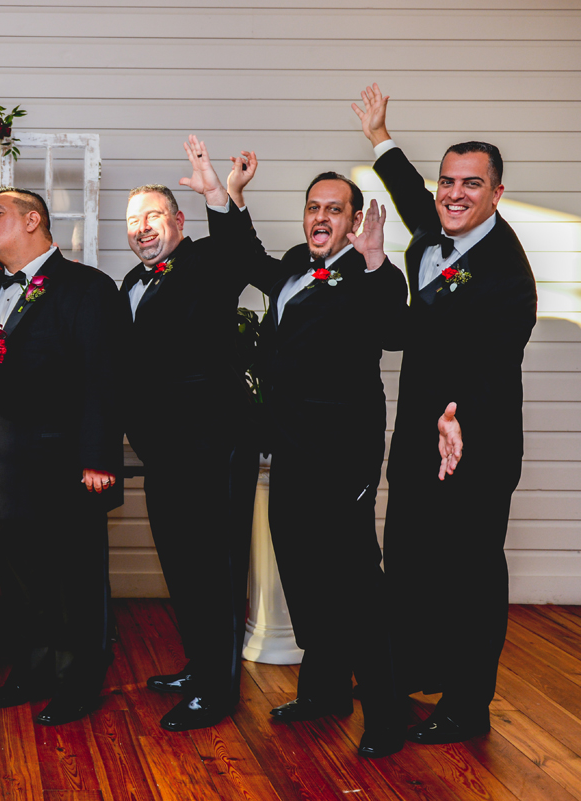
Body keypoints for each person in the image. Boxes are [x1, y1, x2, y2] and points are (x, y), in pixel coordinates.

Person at [205, 147, 410, 757]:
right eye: (313, 208)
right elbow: (247, 261)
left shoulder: (371, 273)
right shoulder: (298, 261)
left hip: (341, 453)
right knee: (302, 572)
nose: (322, 218)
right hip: (289, 448)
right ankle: (325, 692)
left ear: (353, 220)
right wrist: (227, 196)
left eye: (334, 210)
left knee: (354, 584)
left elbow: (394, 333)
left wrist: (375, 262)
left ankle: (387, 713)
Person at [353, 83, 537, 744]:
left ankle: (466, 703)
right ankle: (410, 669)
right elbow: (410, 194)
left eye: (472, 183)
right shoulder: (433, 230)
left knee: (470, 574)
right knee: (408, 557)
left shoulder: (507, 273)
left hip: (473, 441)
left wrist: (459, 414)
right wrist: (381, 136)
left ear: (496, 194)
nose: (455, 193)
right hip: (417, 439)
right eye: (447, 181)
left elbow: (495, 358)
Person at [0, 187, 130, 726]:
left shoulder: (88, 288)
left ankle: (80, 680)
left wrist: (99, 458)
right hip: (4, 464)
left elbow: (104, 378)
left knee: (75, 576)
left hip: (68, 465)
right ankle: (33, 669)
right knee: (18, 574)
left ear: (32, 219)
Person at [120, 139, 261, 733]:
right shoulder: (131, 280)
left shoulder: (207, 262)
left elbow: (241, 253)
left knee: (216, 569)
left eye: (153, 217)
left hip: (214, 447)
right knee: (179, 560)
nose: (142, 229)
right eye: (133, 222)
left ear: (178, 222)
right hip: (164, 451)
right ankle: (200, 664)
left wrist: (218, 194)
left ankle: (218, 690)